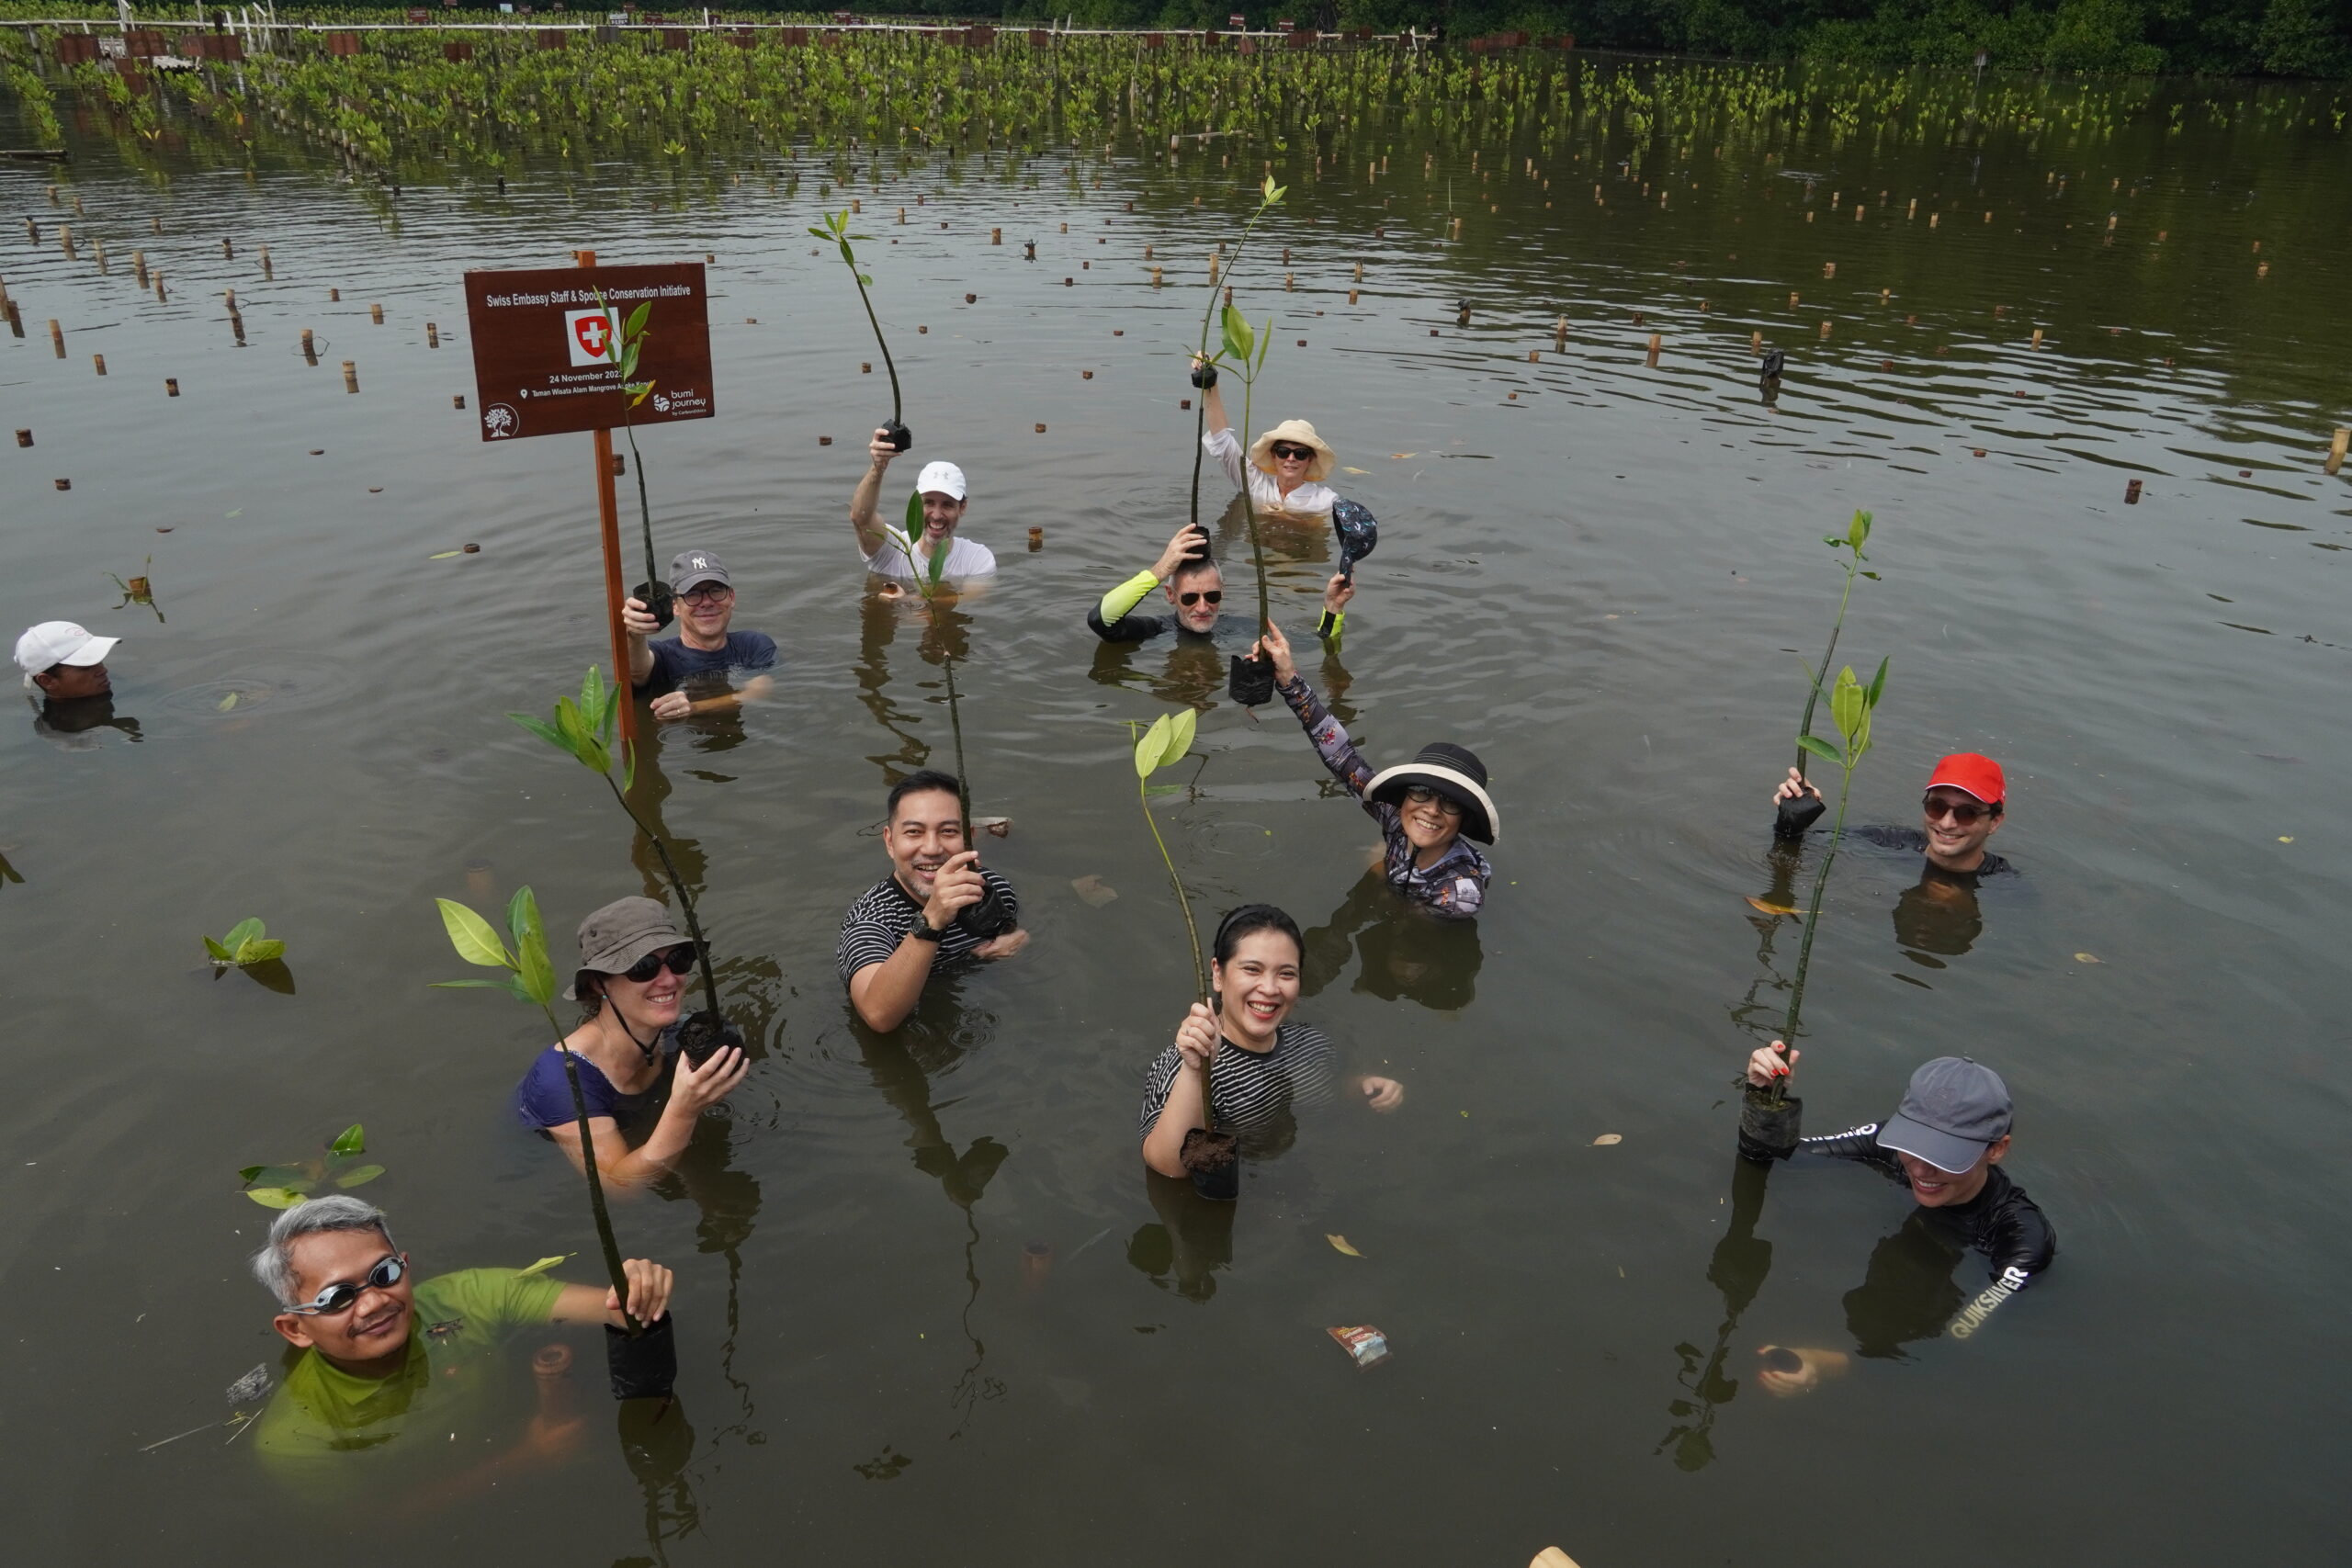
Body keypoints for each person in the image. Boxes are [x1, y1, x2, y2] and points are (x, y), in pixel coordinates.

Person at [247, 1195, 674, 1460]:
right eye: (339, 1298)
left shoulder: (467, 1297)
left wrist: (636, 1289)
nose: (375, 1302)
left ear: (406, 1265)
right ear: (295, 1330)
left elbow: (616, 1311)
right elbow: (372, 1522)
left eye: (384, 1273)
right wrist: (525, 1457)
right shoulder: (295, 1438)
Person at [1736, 1043, 2056, 1390]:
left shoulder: (2021, 1241)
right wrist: (1766, 1096)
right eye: (1914, 1144)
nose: (1920, 1168)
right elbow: (1778, 1160)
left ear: (1996, 1149)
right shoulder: (1887, 1145)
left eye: (1945, 1155)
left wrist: (1829, 1364)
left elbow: (1956, 1340)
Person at [1138, 904, 1404, 1178]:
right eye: (1252, 969)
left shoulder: (1311, 1042)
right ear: (1218, 974)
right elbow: (1166, 1165)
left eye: (1286, 974)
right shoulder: (1184, 1063)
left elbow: (1328, 1095)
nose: (1269, 989)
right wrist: (1195, 1073)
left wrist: (1360, 1089)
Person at [1255, 620, 1496, 919]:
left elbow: (1421, 940)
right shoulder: (1396, 820)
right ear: (1404, 798)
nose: (1432, 811)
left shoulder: (1460, 895)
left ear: (1464, 819)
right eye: (1422, 793)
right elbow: (1342, 754)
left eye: (1450, 803)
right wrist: (1289, 679)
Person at [514, 897, 748, 1186]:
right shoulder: (562, 1078)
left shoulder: (679, 1034)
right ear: (599, 983)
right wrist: (684, 1110)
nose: (668, 980)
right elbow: (619, 1185)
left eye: (678, 961)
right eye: (643, 967)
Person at [838, 769, 1025, 1032]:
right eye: (914, 832)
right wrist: (932, 919)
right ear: (890, 842)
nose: (932, 848)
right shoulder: (871, 920)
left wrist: (1020, 939)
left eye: (948, 831)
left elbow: (1010, 932)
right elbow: (878, 1016)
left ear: (969, 837)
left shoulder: (995, 887)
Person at [1091, 522, 1357, 645]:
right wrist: (1161, 569)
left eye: (1213, 596)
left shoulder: (1238, 629)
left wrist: (1332, 607)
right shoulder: (1155, 630)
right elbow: (1100, 621)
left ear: (1223, 591)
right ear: (1171, 595)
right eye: (1190, 598)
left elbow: (1318, 642)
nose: (1203, 607)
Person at [1772, 751, 2013, 877]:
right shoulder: (1885, 842)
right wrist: (1790, 821)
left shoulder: (2005, 885)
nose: (1947, 823)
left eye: (1967, 813)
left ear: (1994, 822)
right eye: (1937, 807)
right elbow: (1800, 846)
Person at [624, 549, 776, 722]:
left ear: (732, 597)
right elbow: (637, 670)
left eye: (716, 590)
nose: (707, 602)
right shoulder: (662, 655)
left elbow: (759, 692)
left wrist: (695, 707)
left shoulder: (753, 644)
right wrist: (633, 635)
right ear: (675, 606)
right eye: (692, 594)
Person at [1193, 358, 1339, 519]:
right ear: (1273, 455)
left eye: (1300, 454)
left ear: (1310, 459)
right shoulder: (1256, 484)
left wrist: (1285, 516)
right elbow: (1222, 440)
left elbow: (1326, 534)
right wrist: (1210, 382)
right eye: (1284, 452)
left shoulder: (1326, 501)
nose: (1291, 459)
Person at [849, 432, 997, 585]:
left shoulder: (977, 559)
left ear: (962, 507)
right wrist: (877, 468)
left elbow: (971, 599)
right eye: (929, 503)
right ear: (917, 504)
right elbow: (861, 518)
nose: (937, 515)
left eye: (947, 505)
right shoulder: (892, 550)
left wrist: (909, 601)